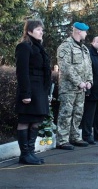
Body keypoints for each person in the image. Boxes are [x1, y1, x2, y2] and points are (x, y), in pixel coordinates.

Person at [15, 19, 51, 165]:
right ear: (29, 31)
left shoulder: (39, 48)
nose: (41, 32)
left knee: (36, 121)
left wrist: (46, 92)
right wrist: (25, 94)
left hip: (40, 91)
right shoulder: (24, 47)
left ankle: (30, 152)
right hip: (29, 90)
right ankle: (24, 154)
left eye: (42, 30)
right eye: (38, 29)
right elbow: (22, 72)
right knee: (25, 121)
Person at [56, 22, 93, 150]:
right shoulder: (65, 46)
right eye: (85, 31)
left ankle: (75, 137)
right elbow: (66, 67)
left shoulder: (84, 49)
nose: (86, 34)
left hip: (81, 88)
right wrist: (79, 82)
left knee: (78, 113)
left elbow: (88, 67)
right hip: (68, 88)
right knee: (66, 113)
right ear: (78, 31)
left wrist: (89, 81)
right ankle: (62, 140)